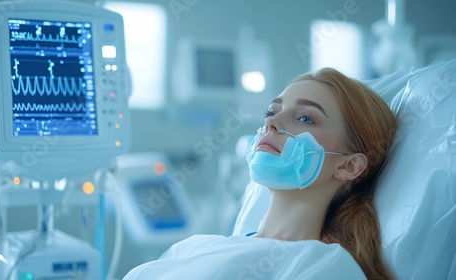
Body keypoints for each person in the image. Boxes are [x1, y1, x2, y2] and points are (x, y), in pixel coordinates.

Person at [123, 68, 396, 280]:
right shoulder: (195, 247)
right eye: (272, 111)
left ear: (348, 166)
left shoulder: (323, 265)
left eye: (305, 118)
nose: (271, 123)